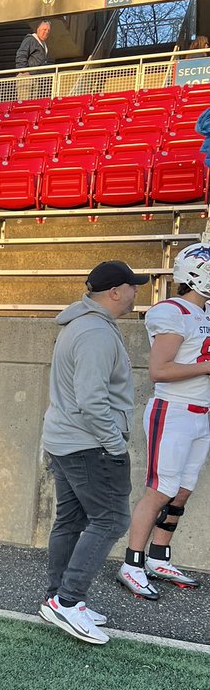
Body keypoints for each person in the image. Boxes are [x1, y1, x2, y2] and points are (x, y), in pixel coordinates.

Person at [39, 261, 150, 643]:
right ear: (115, 292)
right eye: (133, 286)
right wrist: (115, 444)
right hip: (89, 445)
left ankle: (59, 599)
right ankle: (68, 602)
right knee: (112, 520)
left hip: (69, 441)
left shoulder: (84, 325)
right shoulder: (94, 333)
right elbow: (91, 400)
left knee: (70, 521)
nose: (137, 292)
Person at [117, 242, 210, 598]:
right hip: (173, 411)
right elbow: (159, 370)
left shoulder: (204, 313)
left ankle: (158, 555)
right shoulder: (172, 311)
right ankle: (132, 562)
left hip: (201, 412)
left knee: (183, 489)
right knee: (160, 490)